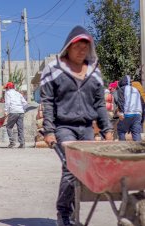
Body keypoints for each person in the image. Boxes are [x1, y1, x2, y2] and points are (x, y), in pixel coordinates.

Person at [40, 26, 113, 226]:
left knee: (85, 172)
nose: (82, 51)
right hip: (64, 127)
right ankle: (63, 213)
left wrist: (107, 131)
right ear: (68, 47)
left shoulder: (93, 71)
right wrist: (49, 131)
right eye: (77, 46)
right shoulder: (54, 70)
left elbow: (99, 103)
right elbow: (47, 101)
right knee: (71, 168)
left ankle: (74, 214)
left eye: (85, 47)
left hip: (87, 128)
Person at [115, 75, 143, 141]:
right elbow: (142, 103)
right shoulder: (137, 90)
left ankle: (123, 148)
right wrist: (142, 118)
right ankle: (139, 150)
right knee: (136, 133)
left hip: (127, 114)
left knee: (121, 131)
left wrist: (121, 113)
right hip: (138, 115)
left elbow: (121, 101)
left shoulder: (122, 89)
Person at [4, 82, 27, 148]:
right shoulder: (18, 93)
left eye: (6, 88)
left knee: (8, 127)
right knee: (20, 128)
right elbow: (25, 103)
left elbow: (7, 103)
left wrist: (6, 111)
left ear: (8, 87)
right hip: (21, 112)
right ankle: (22, 143)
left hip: (13, 111)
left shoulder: (8, 93)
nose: (6, 89)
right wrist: (23, 110)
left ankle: (12, 142)